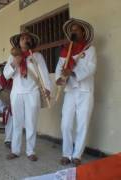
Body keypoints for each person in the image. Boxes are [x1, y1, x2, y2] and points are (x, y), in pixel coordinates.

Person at [4, 30, 51, 161]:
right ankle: (15, 150)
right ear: (19, 42)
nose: (25, 40)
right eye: (23, 38)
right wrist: (14, 63)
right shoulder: (12, 57)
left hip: (32, 92)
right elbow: (6, 74)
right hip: (17, 93)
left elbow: (44, 73)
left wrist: (47, 88)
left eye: (28, 38)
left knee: (31, 122)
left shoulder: (37, 56)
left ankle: (30, 151)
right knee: (17, 122)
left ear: (31, 42)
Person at [55, 18, 96, 166]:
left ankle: (77, 154)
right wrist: (60, 78)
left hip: (85, 91)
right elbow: (60, 69)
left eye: (76, 29)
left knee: (82, 123)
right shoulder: (65, 51)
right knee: (65, 123)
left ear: (82, 32)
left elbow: (91, 68)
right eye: (72, 30)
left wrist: (72, 71)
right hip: (70, 91)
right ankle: (66, 153)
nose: (74, 32)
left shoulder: (89, 49)